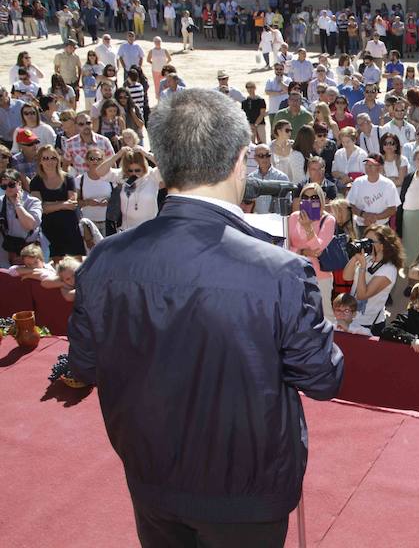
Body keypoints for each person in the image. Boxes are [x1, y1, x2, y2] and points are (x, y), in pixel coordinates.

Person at [67, 89, 343, 547]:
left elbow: (84, 365)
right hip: (246, 496)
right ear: (240, 162)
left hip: (150, 480)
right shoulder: (281, 272)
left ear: (162, 162)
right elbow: (323, 377)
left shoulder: (104, 260)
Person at [342, 224, 404, 336]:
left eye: (370, 241)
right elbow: (346, 276)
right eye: (365, 240)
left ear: (382, 245)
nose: (367, 244)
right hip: (351, 318)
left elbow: (362, 295)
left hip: (369, 323)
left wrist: (362, 267)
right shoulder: (367, 258)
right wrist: (355, 256)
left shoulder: (388, 269)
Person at [28, 145, 84, 260]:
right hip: (49, 228)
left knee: (76, 264)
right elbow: (40, 208)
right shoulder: (35, 182)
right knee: (55, 266)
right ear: (40, 161)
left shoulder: (68, 178)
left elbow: (72, 204)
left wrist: (49, 205)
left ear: (58, 159)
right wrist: (62, 204)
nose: (50, 161)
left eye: (53, 158)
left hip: (70, 227)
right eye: (45, 158)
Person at [346, 154, 401, 236]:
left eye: (372, 165)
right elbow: (350, 204)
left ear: (380, 167)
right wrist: (364, 215)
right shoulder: (358, 182)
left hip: (381, 227)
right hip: (361, 226)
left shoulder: (388, 184)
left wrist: (375, 217)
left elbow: (392, 209)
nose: (368, 167)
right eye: (367, 165)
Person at [1, 169, 42, 263]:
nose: (8, 188)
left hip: (30, 251)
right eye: (4, 186)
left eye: (11, 185)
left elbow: (30, 225)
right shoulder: (1, 202)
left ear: (19, 183)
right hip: (8, 250)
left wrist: (18, 205)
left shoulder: (33, 201)